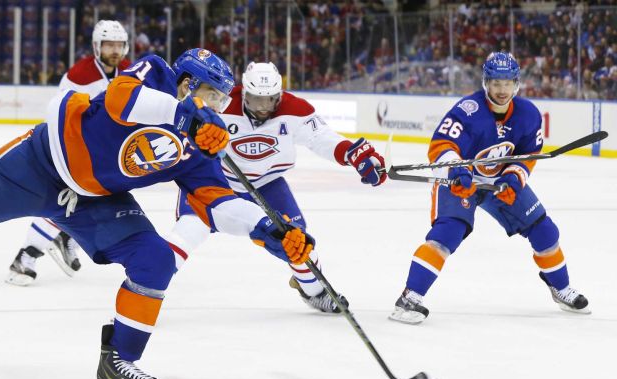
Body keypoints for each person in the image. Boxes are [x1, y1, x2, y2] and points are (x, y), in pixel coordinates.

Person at [0, 48, 327, 379]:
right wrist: (183, 114)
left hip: (96, 201)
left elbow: (216, 202)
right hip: (41, 164)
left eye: (222, 101)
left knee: (155, 260)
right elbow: (122, 99)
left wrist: (268, 227)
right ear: (187, 84)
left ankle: (119, 361)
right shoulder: (157, 74)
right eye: (211, 97)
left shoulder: (202, 145)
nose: (218, 109)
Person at [165, 62, 387, 313]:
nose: (262, 108)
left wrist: (353, 155)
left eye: (269, 101)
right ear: (244, 92)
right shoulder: (223, 101)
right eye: (255, 100)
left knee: (297, 241)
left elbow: (322, 139)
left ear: (279, 95)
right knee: (186, 233)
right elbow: (184, 116)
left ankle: (314, 291)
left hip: (267, 184)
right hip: (216, 182)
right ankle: (148, 283)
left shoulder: (295, 110)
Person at [389, 52, 590, 325]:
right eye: (496, 83)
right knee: (447, 233)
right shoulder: (468, 111)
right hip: (462, 180)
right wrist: (457, 171)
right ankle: (409, 298)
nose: (502, 90)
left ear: (516, 84)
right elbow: (441, 147)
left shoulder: (528, 114)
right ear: (486, 82)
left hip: (497, 181)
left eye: (507, 83)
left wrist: (513, 178)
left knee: (544, 230)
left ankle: (561, 288)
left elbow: (529, 153)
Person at [6, 20, 132, 286]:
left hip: (109, 154)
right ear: (97, 46)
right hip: (75, 151)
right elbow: (60, 116)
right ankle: (26, 257)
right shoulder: (80, 76)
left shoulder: (129, 71)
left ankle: (67, 238)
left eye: (119, 45)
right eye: (109, 44)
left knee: (93, 202)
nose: (115, 50)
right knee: (68, 201)